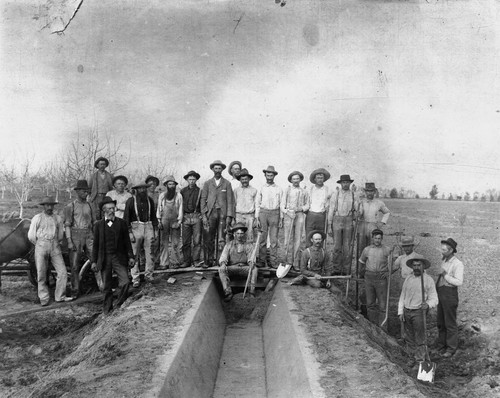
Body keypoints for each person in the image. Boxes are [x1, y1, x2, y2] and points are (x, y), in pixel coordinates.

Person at [91, 196, 135, 315]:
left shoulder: (122, 223)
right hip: (105, 258)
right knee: (106, 286)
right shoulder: (98, 225)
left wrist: (131, 256)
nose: (111, 210)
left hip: (118, 257)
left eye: (113, 208)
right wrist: (94, 261)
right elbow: (95, 245)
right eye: (109, 208)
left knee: (125, 282)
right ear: (103, 210)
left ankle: (119, 306)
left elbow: (127, 242)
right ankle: (107, 310)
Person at [28, 196, 72, 306]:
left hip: (55, 246)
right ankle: (44, 298)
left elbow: (61, 235)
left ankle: (60, 296)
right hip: (41, 245)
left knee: (62, 272)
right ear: (44, 206)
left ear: (53, 206)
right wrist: (40, 243)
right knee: (41, 273)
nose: (49, 207)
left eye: (51, 205)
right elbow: (31, 236)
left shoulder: (57, 218)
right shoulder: (37, 218)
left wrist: (55, 242)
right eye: (47, 205)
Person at [63, 180, 102, 299]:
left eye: (87, 191)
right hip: (75, 235)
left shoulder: (90, 205)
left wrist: (97, 236)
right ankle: (75, 291)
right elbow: (67, 225)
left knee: (95, 260)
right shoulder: (71, 206)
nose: (86, 193)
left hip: (89, 234)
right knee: (74, 265)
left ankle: (102, 286)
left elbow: (94, 222)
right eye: (84, 191)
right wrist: (69, 241)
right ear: (78, 192)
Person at [398, 255, 438, 364]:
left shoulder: (428, 280)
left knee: (420, 338)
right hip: (407, 311)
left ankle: (420, 360)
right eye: (414, 265)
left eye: (418, 265)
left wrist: (428, 305)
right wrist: (400, 311)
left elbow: (434, 298)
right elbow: (403, 295)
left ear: (423, 266)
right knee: (409, 338)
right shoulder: (408, 278)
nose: (416, 267)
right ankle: (412, 358)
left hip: (419, 312)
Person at [200, 160, 234, 267]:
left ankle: (220, 261)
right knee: (208, 238)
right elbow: (203, 199)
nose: (218, 170)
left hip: (222, 214)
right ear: (212, 169)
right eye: (216, 168)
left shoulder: (227, 184)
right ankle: (208, 261)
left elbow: (230, 201)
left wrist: (229, 216)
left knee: (222, 238)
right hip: (211, 213)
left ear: (222, 170)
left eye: (219, 168)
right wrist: (204, 215)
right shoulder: (207, 183)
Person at [124, 182, 158, 287]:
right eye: (140, 189)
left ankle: (149, 275)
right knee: (134, 254)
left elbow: (153, 216)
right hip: (135, 227)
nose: (142, 190)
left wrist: (155, 230)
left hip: (148, 226)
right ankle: (135, 278)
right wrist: (129, 232)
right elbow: (126, 218)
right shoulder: (131, 201)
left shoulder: (150, 201)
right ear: (136, 190)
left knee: (150, 252)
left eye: (144, 188)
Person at [435, 238, 464, 358]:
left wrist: (445, 274)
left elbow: (459, 282)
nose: (441, 251)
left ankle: (451, 348)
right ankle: (442, 345)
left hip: (450, 294)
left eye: (444, 250)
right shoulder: (445, 260)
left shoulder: (457, 264)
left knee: (450, 323)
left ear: (451, 250)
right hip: (441, 293)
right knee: (441, 322)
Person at [358, 229, 392, 326]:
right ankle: (372, 326)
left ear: (382, 239)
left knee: (382, 305)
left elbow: (393, 264)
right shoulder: (367, 249)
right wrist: (362, 273)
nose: (377, 240)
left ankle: (383, 327)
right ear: (372, 238)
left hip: (381, 278)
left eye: (379, 238)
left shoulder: (387, 250)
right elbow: (361, 261)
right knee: (370, 303)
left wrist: (388, 273)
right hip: (369, 277)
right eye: (375, 238)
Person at [218, 222, 258, 302]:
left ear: (244, 234)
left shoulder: (248, 245)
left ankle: (251, 292)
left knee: (255, 269)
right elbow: (223, 256)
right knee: (221, 270)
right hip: (232, 268)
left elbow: (251, 257)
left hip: (244, 268)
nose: (240, 235)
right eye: (238, 233)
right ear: (234, 234)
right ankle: (228, 293)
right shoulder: (229, 245)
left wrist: (251, 262)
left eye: (241, 233)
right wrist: (222, 264)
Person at [327, 174, 358, 273]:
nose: (345, 184)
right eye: (343, 182)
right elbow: (331, 209)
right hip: (337, 220)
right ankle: (336, 268)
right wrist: (329, 225)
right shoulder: (335, 194)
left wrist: (358, 211)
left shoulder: (353, 194)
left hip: (348, 221)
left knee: (347, 247)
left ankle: (346, 269)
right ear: (340, 183)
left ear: (350, 183)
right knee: (336, 247)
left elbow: (358, 208)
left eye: (347, 182)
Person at [393, 235, 421, 339]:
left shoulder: (418, 257)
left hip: (415, 284)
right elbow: (393, 268)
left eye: (408, 246)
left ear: (412, 246)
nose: (406, 248)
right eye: (404, 247)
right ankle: (403, 335)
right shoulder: (401, 258)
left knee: (414, 308)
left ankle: (416, 335)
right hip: (403, 283)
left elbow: (424, 274)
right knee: (403, 308)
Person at [255, 166, 283, 268]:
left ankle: (273, 261)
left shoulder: (279, 189)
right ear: (265, 175)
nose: (269, 177)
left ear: (274, 176)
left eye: (271, 175)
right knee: (262, 238)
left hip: (275, 213)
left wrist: (281, 218)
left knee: (274, 239)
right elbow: (257, 203)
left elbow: (281, 204)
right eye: (268, 175)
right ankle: (262, 260)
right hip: (263, 213)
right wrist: (257, 217)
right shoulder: (262, 188)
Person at [281, 171, 309, 270]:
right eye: (294, 179)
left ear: (300, 180)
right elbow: (282, 205)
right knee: (288, 239)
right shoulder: (287, 190)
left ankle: (296, 262)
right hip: (289, 215)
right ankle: (287, 262)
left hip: (300, 215)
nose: (296, 181)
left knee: (298, 239)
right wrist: (288, 212)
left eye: (297, 179)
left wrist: (301, 209)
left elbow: (307, 205)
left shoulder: (304, 191)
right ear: (291, 180)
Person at [157, 176, 184, 268]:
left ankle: (175, 262)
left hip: (175, 220)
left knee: (175, 242)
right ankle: (164, 263)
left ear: (175, 185)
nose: (171, 186)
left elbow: (181, 209)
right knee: (163, 242)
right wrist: (159, 221)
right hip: (164, 220)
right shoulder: (162, 196)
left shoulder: (179, 195)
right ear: (166, 185)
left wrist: (179, 222)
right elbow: (159, 209)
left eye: (173, 184)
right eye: (169, 184)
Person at [358, 183, 390, 253]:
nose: (369, 193)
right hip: (362, 226)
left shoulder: (379, 203)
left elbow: (387, 212)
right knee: (360, 248)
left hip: (373, 226)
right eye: (368, 191)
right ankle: (360, 264)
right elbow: (357, 213)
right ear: (365, 192)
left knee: (372, 247)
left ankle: (371, 264)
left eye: (371, 191)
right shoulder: (360, 202)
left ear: (374, 192)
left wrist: (382, 222)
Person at [180, 170, 202, 268]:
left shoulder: (200, 191)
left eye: (194, 179)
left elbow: (203, 204)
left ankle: (196, 260)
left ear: (196, 180)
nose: (192, 181)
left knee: (197, 241)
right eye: (190, 179)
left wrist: (201, 214)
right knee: (185, 241)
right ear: (187, 180)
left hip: (196, 216)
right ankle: (186, 261)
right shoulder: (182, 191)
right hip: (185, 217)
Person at [306, 168, 331, 245]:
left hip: (321, 216)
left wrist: (328, 206)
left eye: (321, 178)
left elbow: (329, 203)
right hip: (311, 215)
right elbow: (307, 203)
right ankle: (309, 255)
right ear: (315, 179)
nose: (320, 180)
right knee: (309, 236)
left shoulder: (327, 189)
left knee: (320, 236)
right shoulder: (310, 189)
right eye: (318, 178)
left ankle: (320, 255)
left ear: (324, 179)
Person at [234, 168, 257, 243]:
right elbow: (234, 203)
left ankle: (249, 254)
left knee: (249, 236)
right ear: (240, 180)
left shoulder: (254, 190)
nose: (244, 181)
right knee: (239, 236)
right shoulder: (236, 190)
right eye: (242, 179)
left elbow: (256, 204)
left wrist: (255, 217)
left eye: (246, 179)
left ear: (249, 179)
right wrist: (233, 217)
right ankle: (239, 254)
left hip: (249, 216)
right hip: (238, 216)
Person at [145, 175, 161, 266]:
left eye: (154, 184)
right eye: (150, 184)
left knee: (156, 241)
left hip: (155, 220)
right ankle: (145, 262)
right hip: (145, 221)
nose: (152, 186)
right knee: (146, 242)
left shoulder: (158, 195)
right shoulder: (143, 194)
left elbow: (160, 208)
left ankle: (156, 261)